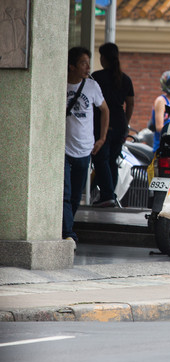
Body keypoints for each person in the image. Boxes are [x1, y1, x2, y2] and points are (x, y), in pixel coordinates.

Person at [64, 47, 109, 243]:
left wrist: (102, 138)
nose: (88, 67)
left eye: (88, 62)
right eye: (83, 63)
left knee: (75, 196)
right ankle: (67, 233)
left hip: (85, 149)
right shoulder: (61, 84)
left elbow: (105, 110)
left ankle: (66, 227)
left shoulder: (92, 86)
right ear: (71, 66)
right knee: (64, 194)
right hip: (62, 149)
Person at [91, 42, 135, 207]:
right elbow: (130, 104)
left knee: (101, 159)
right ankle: (109, 195)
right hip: (120, 124)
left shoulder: (97, 77)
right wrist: (126, 123)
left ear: (103, 58)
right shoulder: (126, 79)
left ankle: (107, 195)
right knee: (112, 161)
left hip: (102, 124)